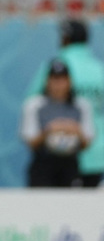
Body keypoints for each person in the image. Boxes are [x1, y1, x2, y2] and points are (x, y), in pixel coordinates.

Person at [26, 19, 104, 187]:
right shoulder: (99, 69)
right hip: (97, 152)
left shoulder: (55, 66)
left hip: (61, 154)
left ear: (65, 38)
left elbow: (32, 102)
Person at [20, 58, 95, 187]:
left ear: (69, 81)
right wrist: (49, 131)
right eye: (54, 79)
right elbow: (31, 143)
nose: (58, 84)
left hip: (70, 165)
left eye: (62, 79)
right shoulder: (34, 105)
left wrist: (76, 131)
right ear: (47, 81)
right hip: (43, 166)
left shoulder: (81, 105)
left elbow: (87, 143)